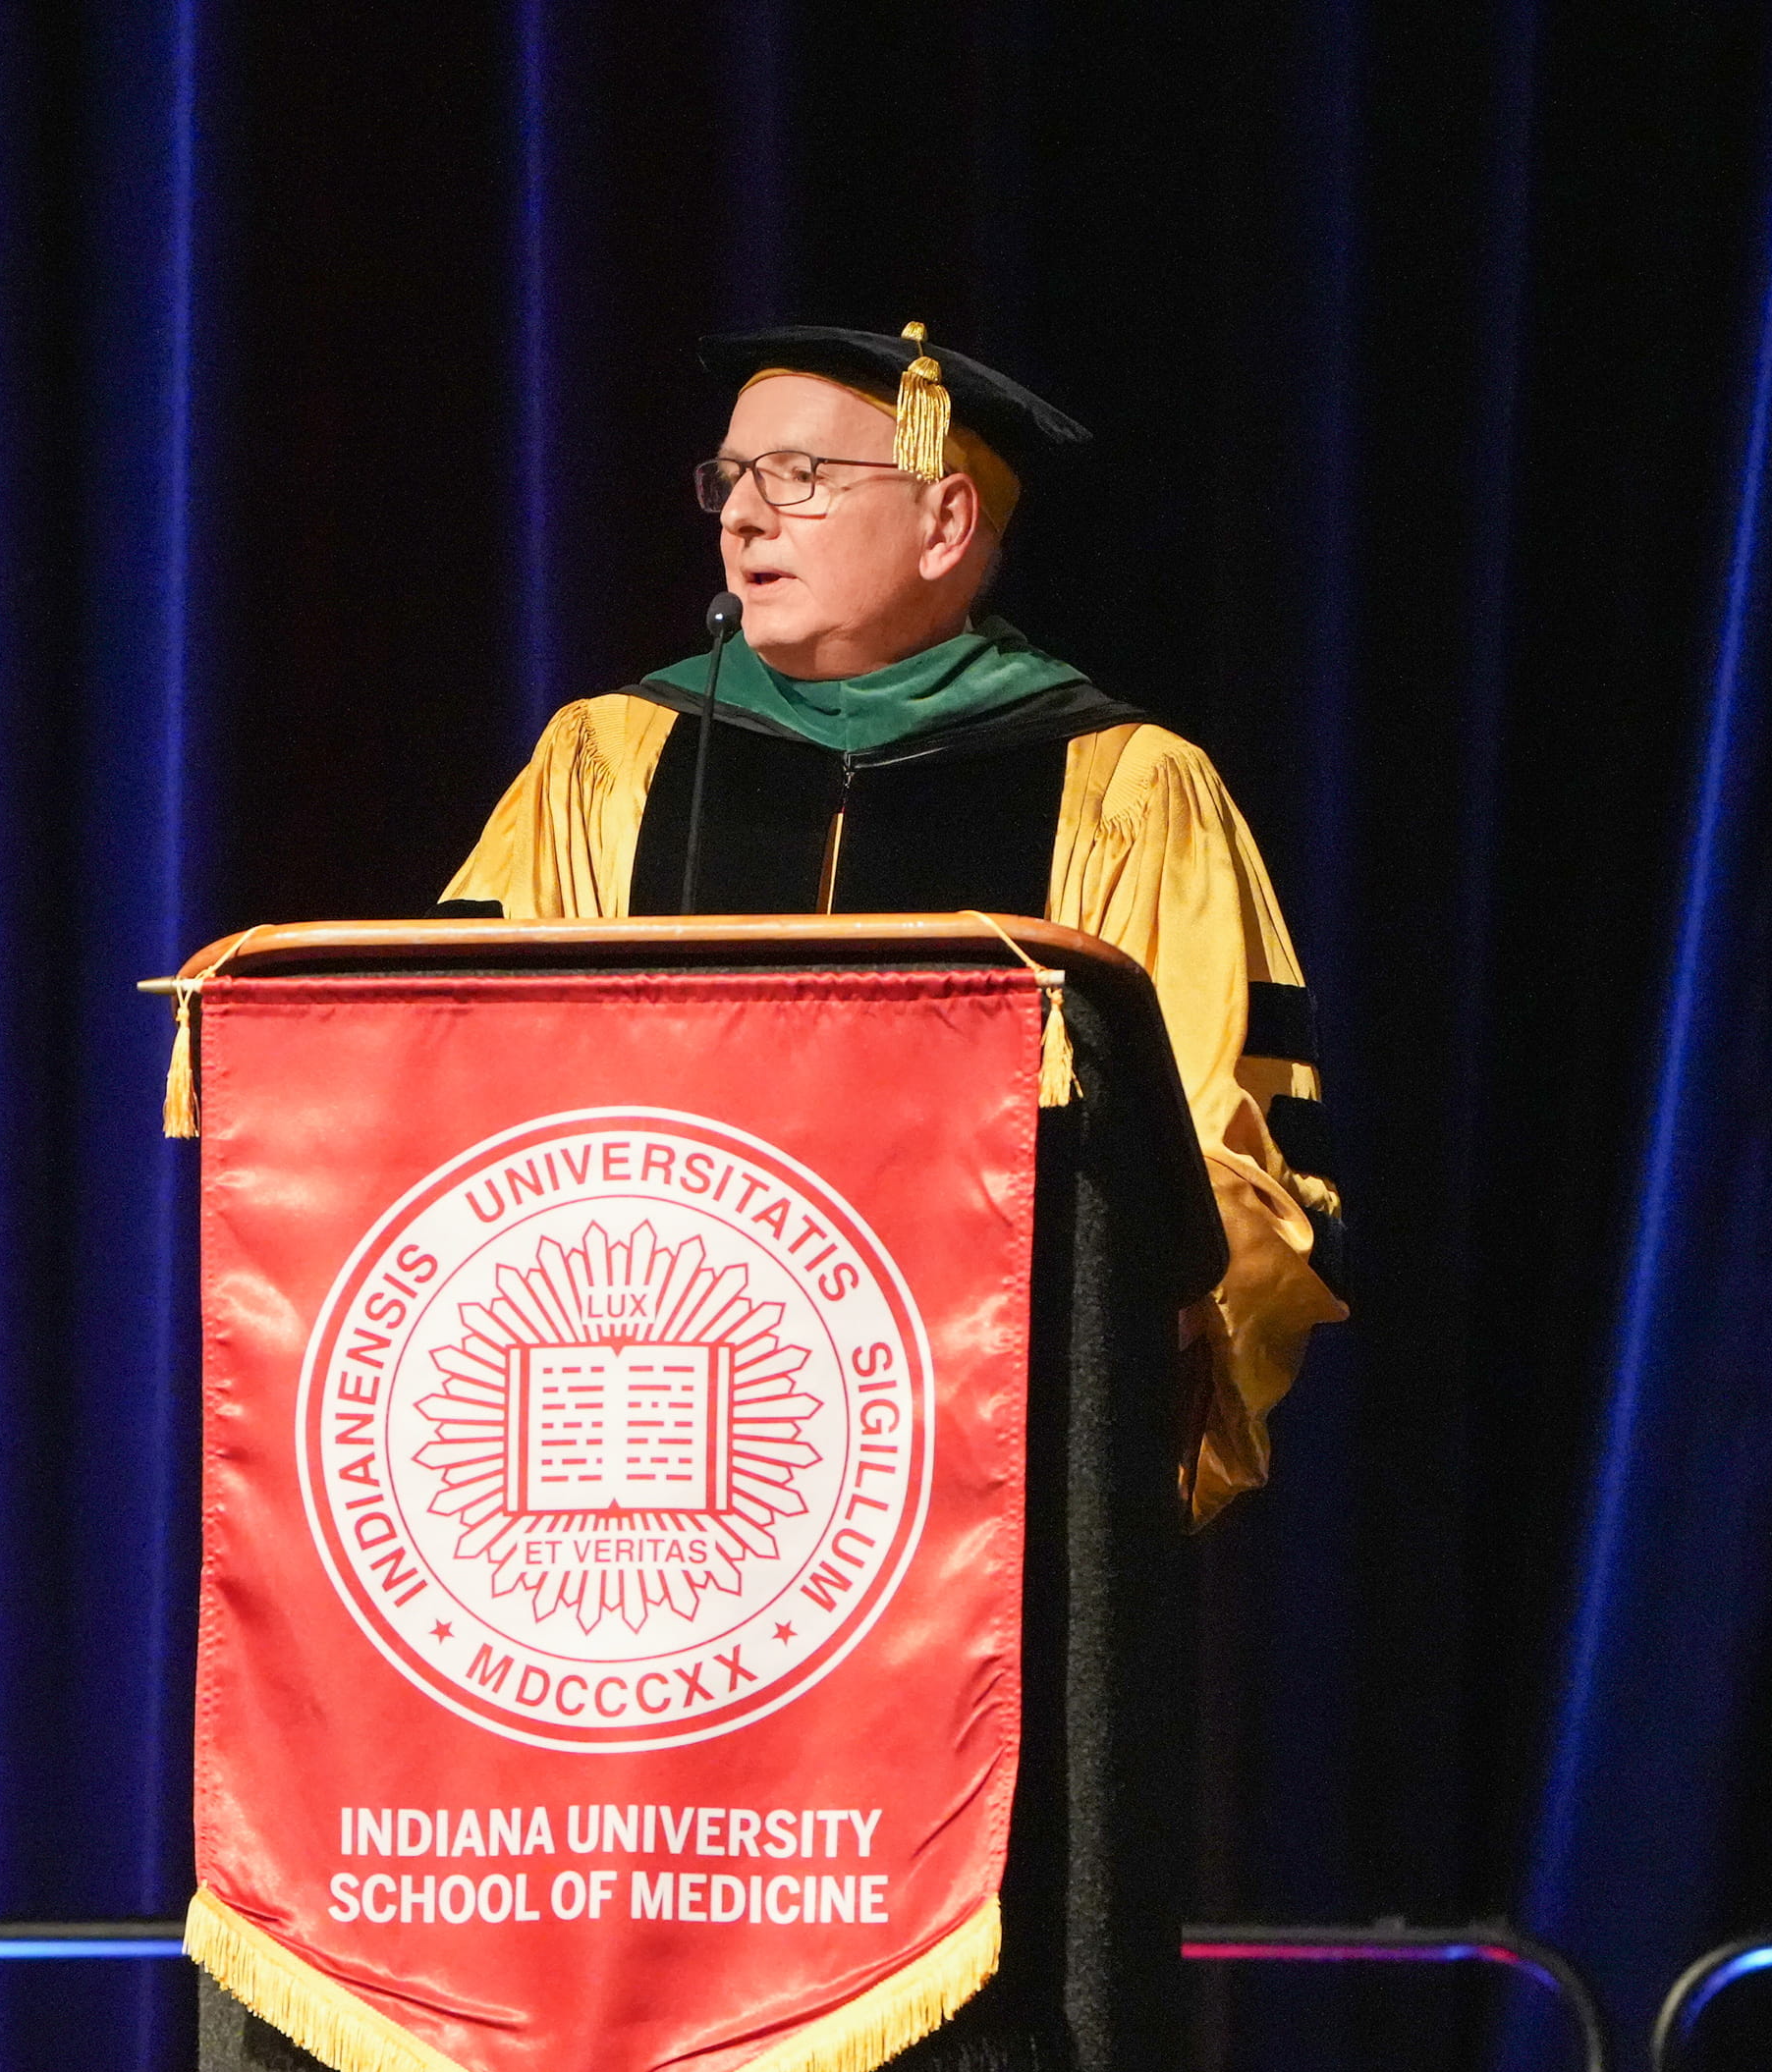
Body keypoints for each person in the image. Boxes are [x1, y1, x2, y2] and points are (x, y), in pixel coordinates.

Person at [440, 323, 1345, 1525]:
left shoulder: (1127, 788)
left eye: (798, 476)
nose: (742, 518)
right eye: (730, 478)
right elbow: (464, 1086)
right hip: (648, 1452)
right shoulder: (609, 761)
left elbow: (1220, 1163)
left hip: (987, 1470)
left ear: (945, 523)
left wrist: (1104, 1364)